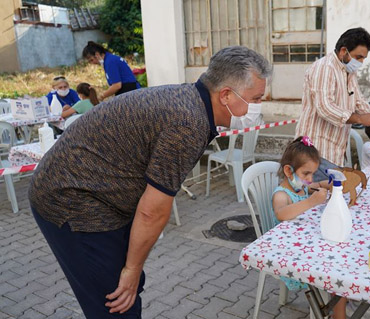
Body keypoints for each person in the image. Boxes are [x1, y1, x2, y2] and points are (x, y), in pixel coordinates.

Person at [28, 46, 272, 318]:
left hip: (94, 189)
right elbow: (152, 210)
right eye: (256, 98)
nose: (257, 107)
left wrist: (133, 269)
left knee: (128, 284)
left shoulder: (191, 101)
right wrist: (132, 270)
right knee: (116, 301)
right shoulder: (189, 122)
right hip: (70, 198)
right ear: (226, 95)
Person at [295, 27, 370, 180]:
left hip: (335, 151)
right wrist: (360, 119)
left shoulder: (348, 71)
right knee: (322, 198)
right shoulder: (324, 68)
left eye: (363, 58)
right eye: (358, 57)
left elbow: (358, 101)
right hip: (316, 151)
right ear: (343, 51)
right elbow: (325, 108)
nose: (360, 62)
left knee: (334, 197)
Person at [272, 136, 349, 318]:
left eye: (313, 173)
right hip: (290, 255)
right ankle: (338, 312)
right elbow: (281, 214)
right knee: (337, 275)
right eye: (306, 174)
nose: (310, 178)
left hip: (306, 246)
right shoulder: (282, 195)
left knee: (340, 259)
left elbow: (317, 185)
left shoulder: (302, 187)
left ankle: (340, 307)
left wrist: (329, 184)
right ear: (288, 171)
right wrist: (311, 202)